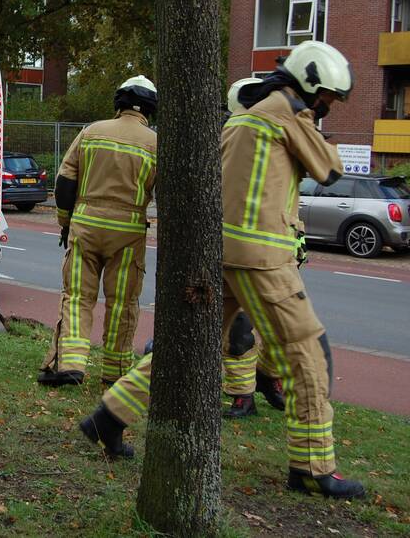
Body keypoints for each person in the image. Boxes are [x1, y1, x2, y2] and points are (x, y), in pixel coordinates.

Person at [79, 41, 365, 500]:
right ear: (312, 86)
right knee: (305, 354)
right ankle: (313, 467)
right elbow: (329, 170)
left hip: (222, 253)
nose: (330, 105)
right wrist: (312, 123)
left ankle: (107, 418)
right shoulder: (288, 113)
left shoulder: (244, 116)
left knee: (187, 349)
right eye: (330, 97)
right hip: (264, 259)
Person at [37, 76, 157, 387]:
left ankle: (70, 365)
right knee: (123, 303)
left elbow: (65, 181)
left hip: (86, 226)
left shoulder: (91, 132)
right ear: (150, 108)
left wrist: (66, 222)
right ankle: (114, 373)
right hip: (129, 234)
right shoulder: (155, 143)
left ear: (118, 102)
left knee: (77, 296)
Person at [221, 78, 286, 418]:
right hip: (248, 252)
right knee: (241, 329)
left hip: (257, 252)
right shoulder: (241, 137)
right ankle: (244, 394)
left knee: (253, 328)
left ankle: (257, 385)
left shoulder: (257, 136)